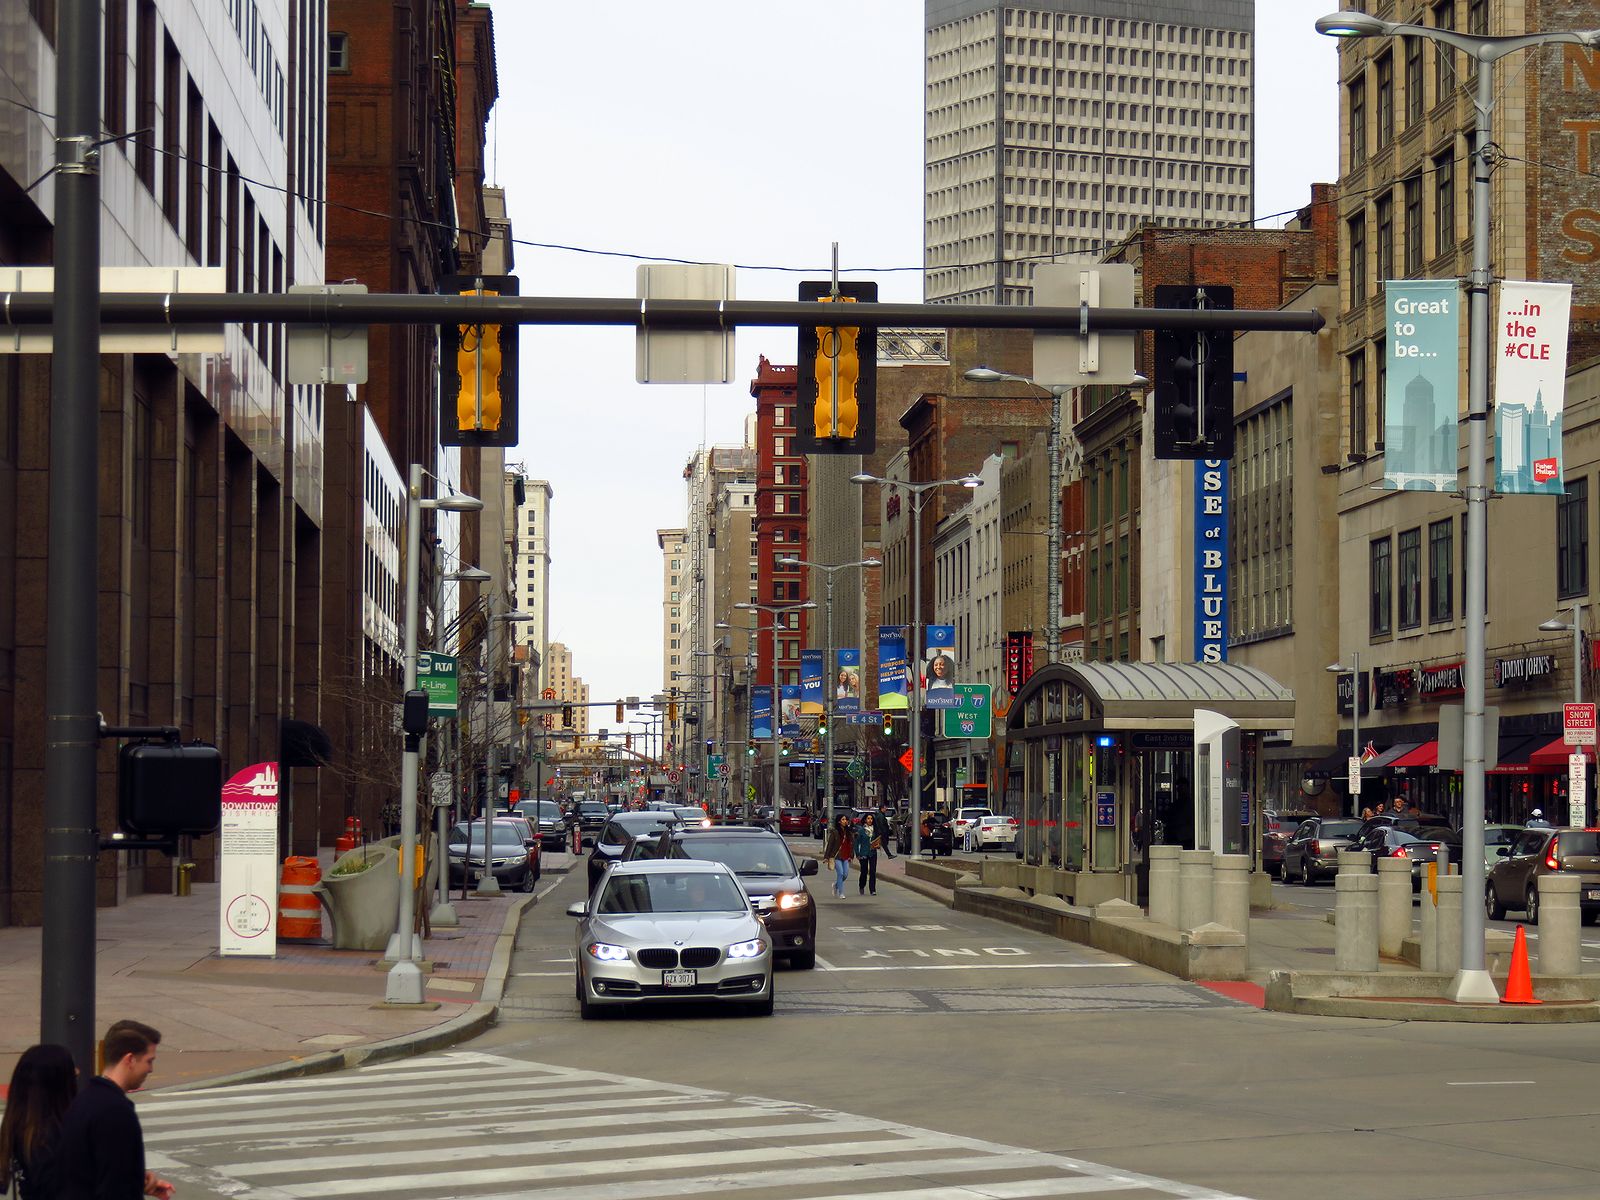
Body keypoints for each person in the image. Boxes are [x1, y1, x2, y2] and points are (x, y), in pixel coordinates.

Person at [56, 1021, 172, 1200]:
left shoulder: (85, 1099)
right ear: (130, 1060)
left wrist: (135, 1178)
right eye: (149, 1061)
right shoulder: (115, 1111)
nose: (150, 1069)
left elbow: (91, 1169)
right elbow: (113, 1187)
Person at [1, 1043, 78, 1200]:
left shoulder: (17, 1128)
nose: (78, 1072)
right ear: (58, 1085)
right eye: (72, 1071)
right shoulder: (52, 1138)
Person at [821, 814, 854, 898]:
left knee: (845, 874)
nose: (845, 821)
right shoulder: (835, 832)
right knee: (840, 873)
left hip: (846, 856)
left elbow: (851, 845)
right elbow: (830, 845)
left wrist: (851, 855)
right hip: (836, 856)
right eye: (843, 819)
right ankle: (841, 893)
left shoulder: (849, 832)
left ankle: (836, 885)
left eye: (846, 819)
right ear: (839, 821)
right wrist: (826, 857)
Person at [854, 812, 883, 895]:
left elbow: (879, 840)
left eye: (871, 819)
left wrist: (877, 845)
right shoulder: (861, 831)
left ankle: (872, 889)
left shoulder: (875, 830)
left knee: (873, 871)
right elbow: (857, 843)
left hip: (873, 853)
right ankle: (861, 885)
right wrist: (858, 854)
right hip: (863, 853)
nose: (870, 820)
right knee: (864, 871)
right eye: (868, 818)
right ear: (865, 820)